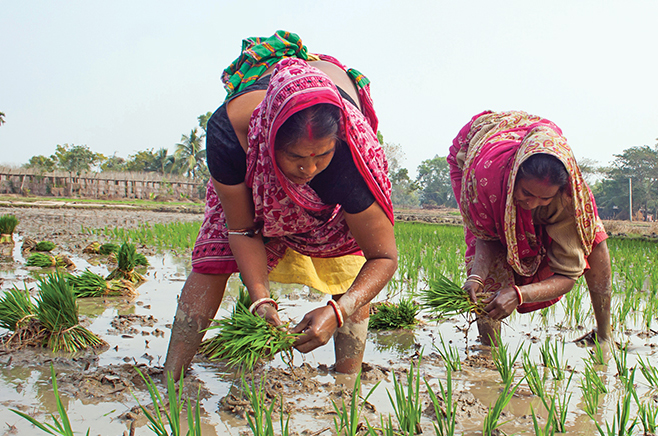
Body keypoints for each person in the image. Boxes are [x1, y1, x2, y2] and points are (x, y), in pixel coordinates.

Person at [164, 31, 397, 377]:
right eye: (295, 157)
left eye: (321, 156)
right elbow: (241, 229)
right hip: (265, 126)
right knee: (213, 252)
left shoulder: (349, 159)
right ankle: (172, 375)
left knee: (349, 260)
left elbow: (384, 256)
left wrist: (337, 311)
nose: (308, 168)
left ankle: (346, 382)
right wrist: (261, 300)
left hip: (330, 101)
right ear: (268, 139)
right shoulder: (231, 135)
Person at [447, 110, 611, 346]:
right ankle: (488, 349)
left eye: (543, 199)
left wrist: (519, 294)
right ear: (514, 176)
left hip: (537, 140)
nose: (531, 204)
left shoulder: (568, 200)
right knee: (490, 264)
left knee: (593, 237)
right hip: (476, 148)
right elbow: (485, 234)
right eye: (526, 193)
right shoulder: (486, 181)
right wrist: (476, 277)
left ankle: (605, 336)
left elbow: (568, 275)